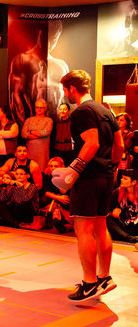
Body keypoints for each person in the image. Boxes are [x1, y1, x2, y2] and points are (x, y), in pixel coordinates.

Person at [56, 70, 123, 304]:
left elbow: (92, 143)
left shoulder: (82, 111)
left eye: (65, 89)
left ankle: (89, 283)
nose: (64, 94)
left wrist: (73, 170)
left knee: (83, 229)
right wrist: (113, 167)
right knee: (100, 227)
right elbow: (119, 144)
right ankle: (104, 277)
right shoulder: (106, 110)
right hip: (105, 176)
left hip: (88, 178)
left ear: (72, 89)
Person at [107, 170, 138, 245]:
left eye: (125, 178)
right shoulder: (118, 192)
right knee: (106, 218)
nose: (121, 180)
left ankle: (128, 237)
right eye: (122, 178)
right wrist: (113, 213)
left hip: (136, 225)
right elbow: (106, 209)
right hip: (123, 226)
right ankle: (129, 238)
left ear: (134, 182)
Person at [21, 99, 53, 171]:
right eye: (37, 107)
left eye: (41, 107)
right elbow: (23, 134)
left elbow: (46, 132)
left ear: (45, 109)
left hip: (42, 151)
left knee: (42, 170)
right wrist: (39, 134)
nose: (39, 109)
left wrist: (30, 132)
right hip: (30, 150)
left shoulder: (48, 120)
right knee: (29, 170)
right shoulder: (28, 120)